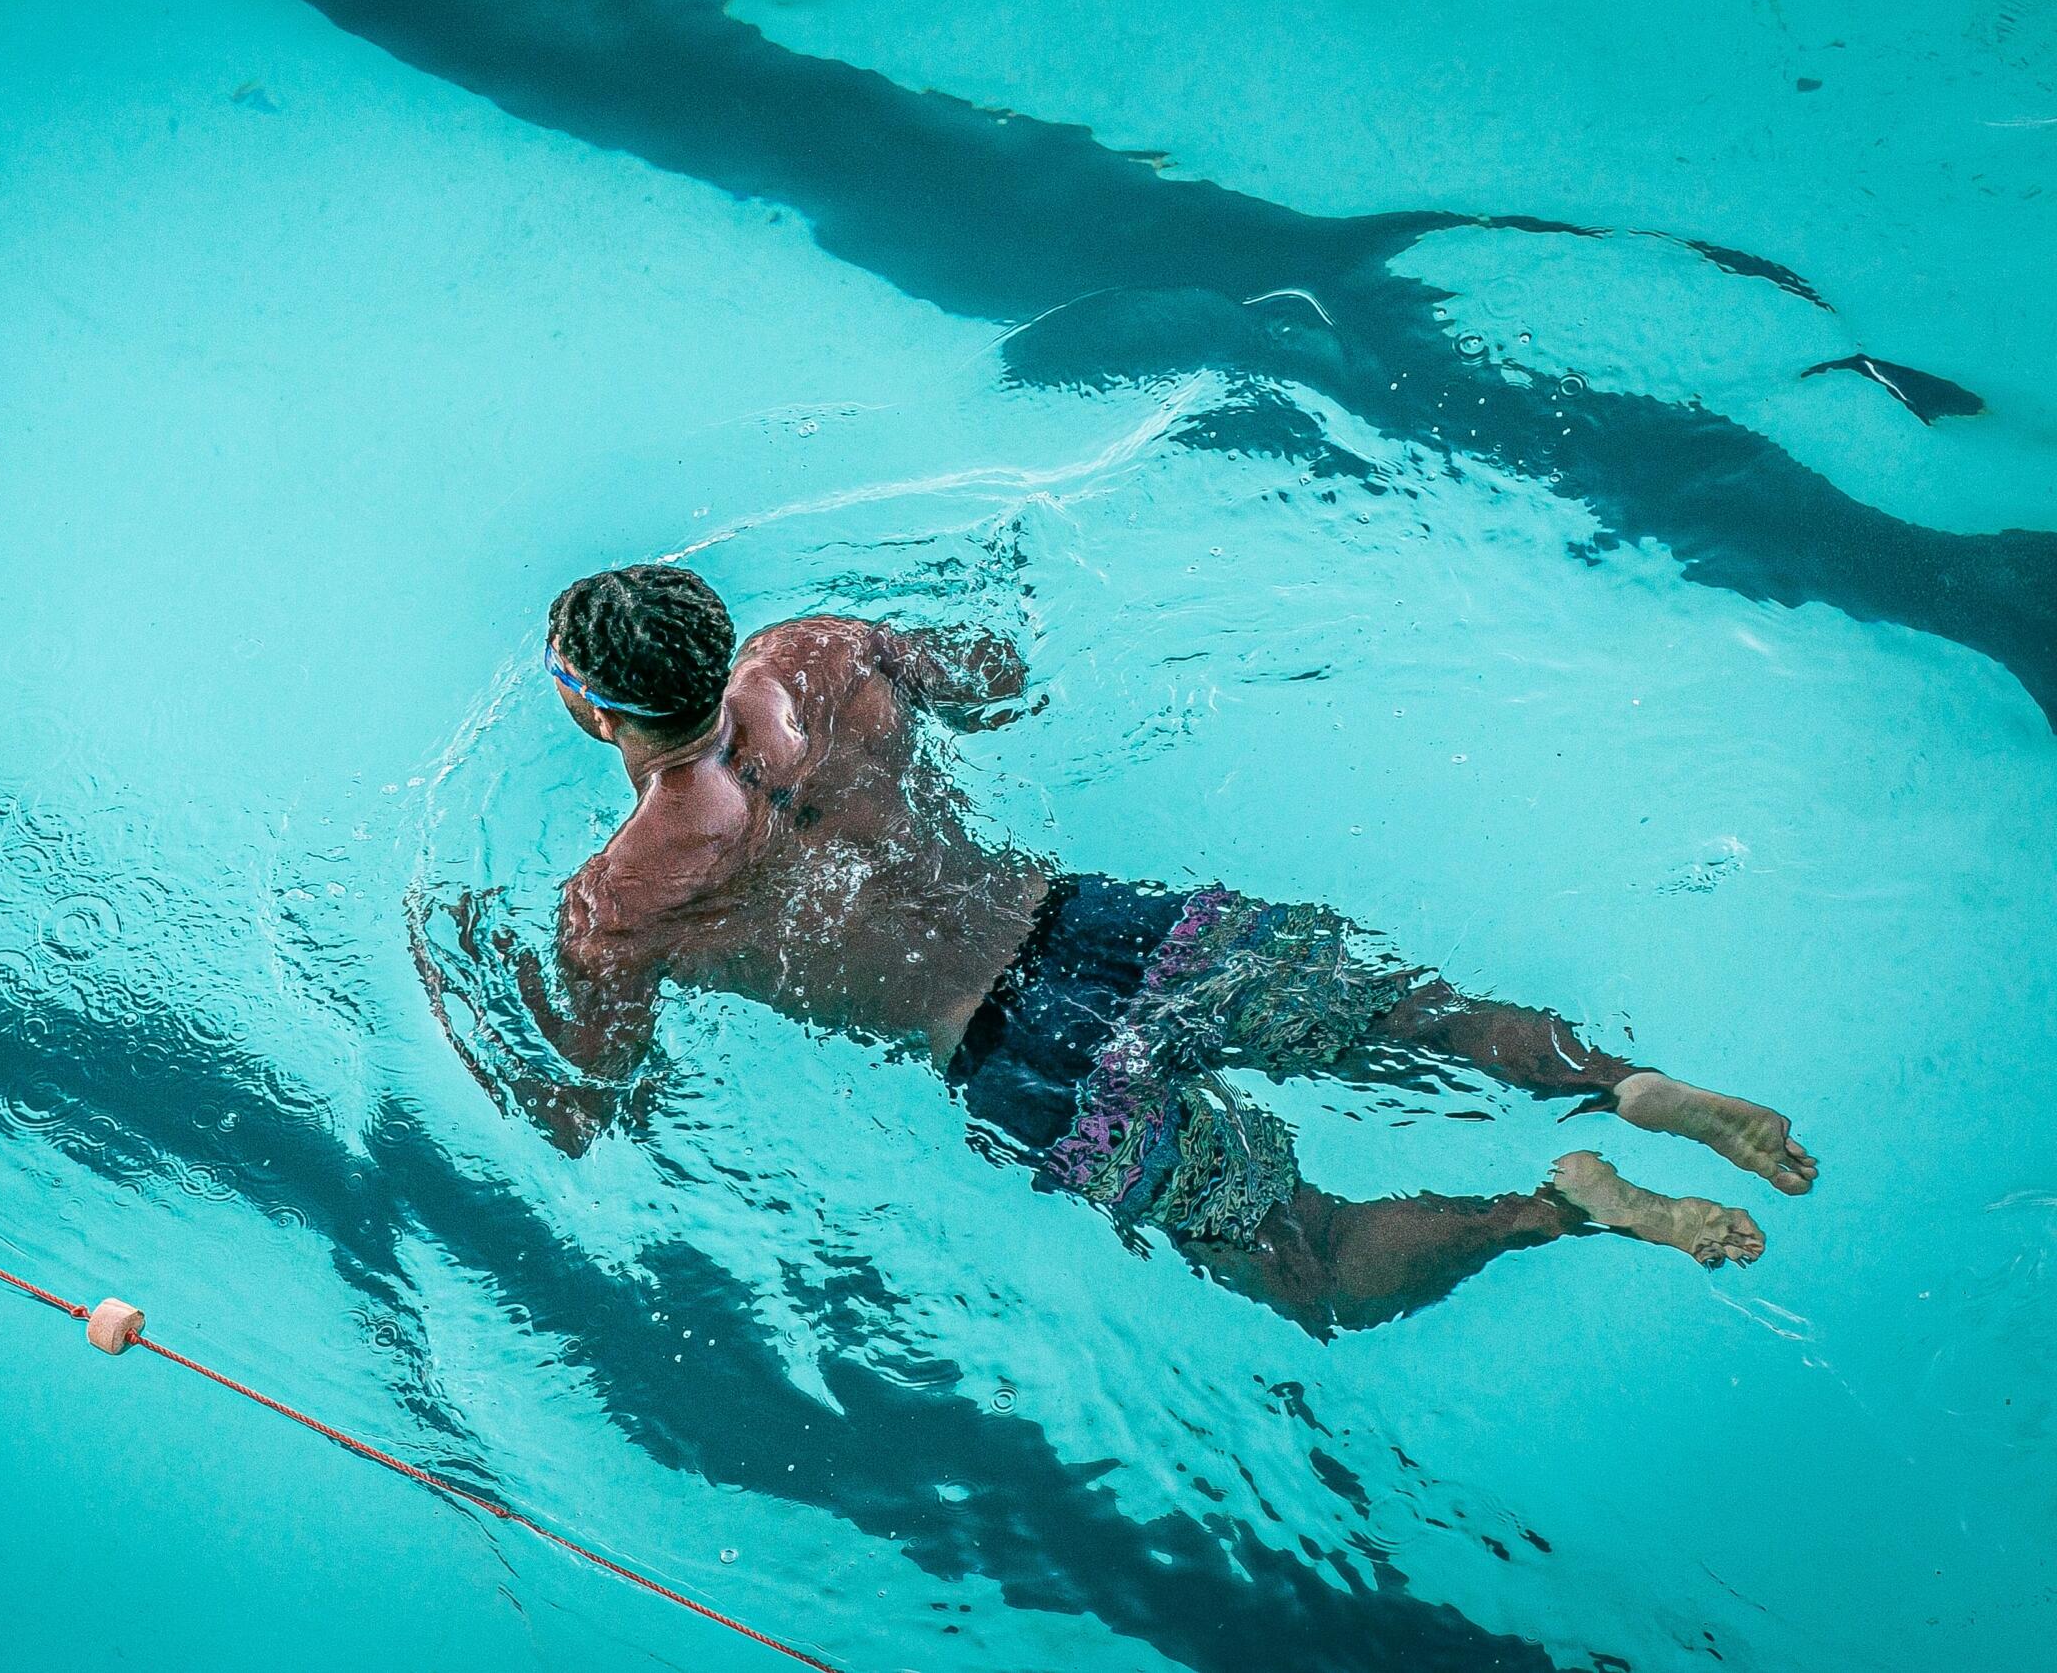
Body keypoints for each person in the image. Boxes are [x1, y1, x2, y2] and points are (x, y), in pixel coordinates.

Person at [469, 564, 1818, 1337]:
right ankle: (1630, 1087)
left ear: (595, 717)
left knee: (1318, 1264)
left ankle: (1561, 1207)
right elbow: (1000, 680)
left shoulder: (623, 903)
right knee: (1426, 1022)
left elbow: (592, 1103)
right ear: (714, 631)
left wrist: (465, 987)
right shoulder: (825, 653)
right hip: (1100, 926)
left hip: (1019, 1061)